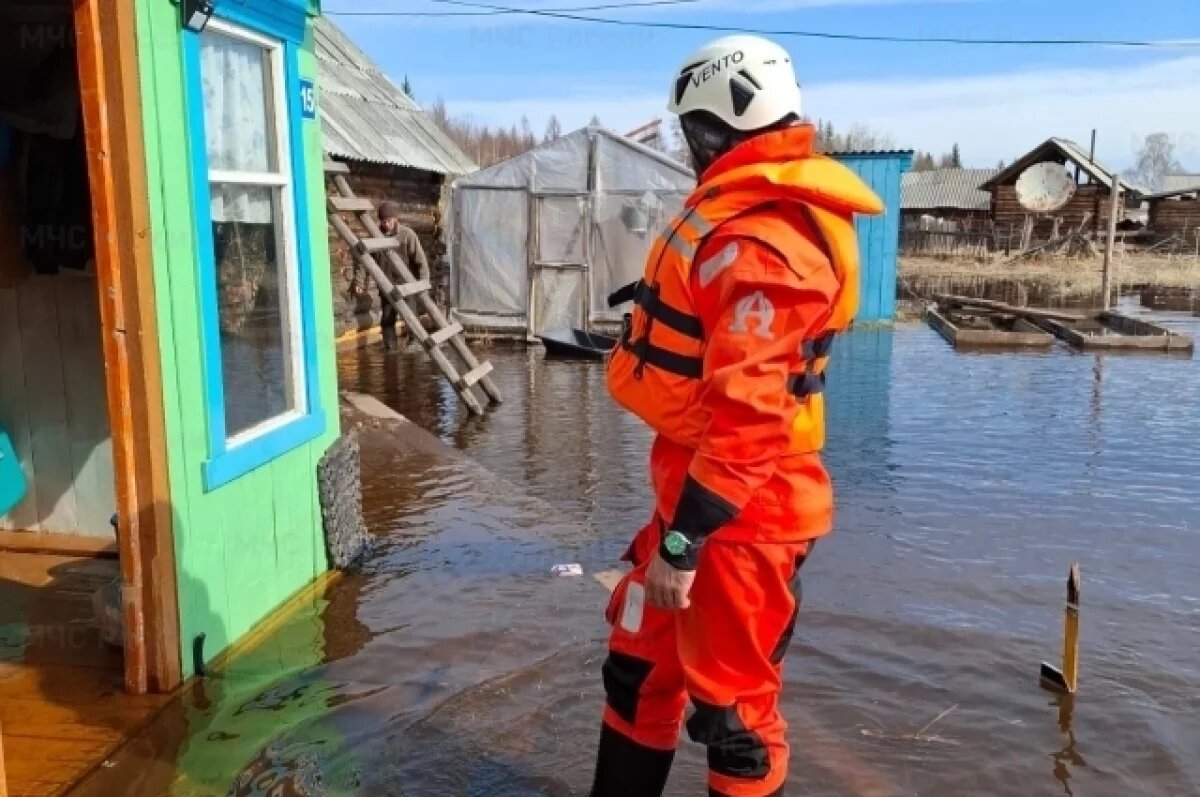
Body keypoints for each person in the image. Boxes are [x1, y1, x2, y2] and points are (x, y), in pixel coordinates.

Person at [591, 35, 884, 797]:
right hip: (693, 499)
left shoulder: (762, 242)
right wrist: (674, 531)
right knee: (636, 667)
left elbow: (750, 426)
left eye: (688, 130)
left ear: (716, 125)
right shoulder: (737, 214)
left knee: (734, 717)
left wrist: (683, 545)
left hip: (741, 518)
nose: (684, 146)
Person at [375, 200, 430, 352]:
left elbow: (421, 261)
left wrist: (423, 284)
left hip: (407, 286)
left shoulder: (407, 235)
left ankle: (415, 349)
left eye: (389, 221)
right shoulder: (374, 236)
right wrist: (359, 281)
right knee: (387, 321)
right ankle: (390, 350)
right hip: (387, 287)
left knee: (412, 320)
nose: (387, 224)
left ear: (395, 219)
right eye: (383, 221)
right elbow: (364, 261)